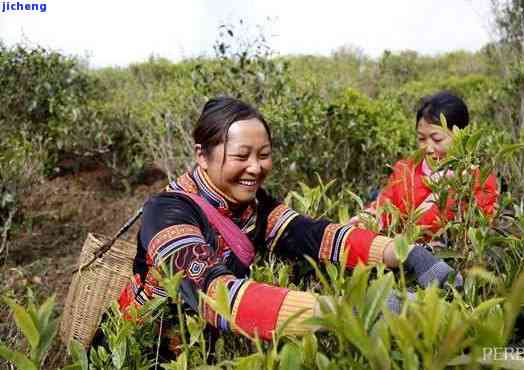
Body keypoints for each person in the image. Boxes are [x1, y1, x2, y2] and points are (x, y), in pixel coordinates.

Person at [118, 96, 460, 343]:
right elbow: (217, 296)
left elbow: (314, 235)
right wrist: (350, 312)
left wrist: (407, 253)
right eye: (241, 156)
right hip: (149, 348)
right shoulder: (167, 213)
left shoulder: (255, 204)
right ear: (201, 156)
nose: (255, 168)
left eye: (264, 155)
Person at [359, 91, 499, 240]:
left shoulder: (478, 180)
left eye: (437, 139)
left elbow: (480, 233)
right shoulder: (405, 170)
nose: (427, 148)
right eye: (421, 138)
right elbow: (382, 209)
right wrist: (366, 219)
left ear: (460, 136)